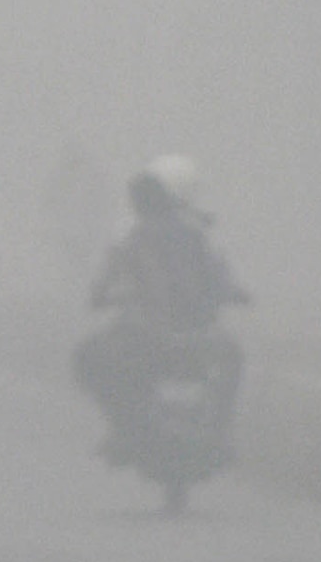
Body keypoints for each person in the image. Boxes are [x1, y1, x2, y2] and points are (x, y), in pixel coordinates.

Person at [76, 157, 246, 433]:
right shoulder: (192, 235)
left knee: (91, 357)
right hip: (189, 330)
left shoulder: (135, 240)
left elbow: (104, 286)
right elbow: (220, 276)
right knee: (232, 359)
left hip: (160, 329)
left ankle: (123, 426)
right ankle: (219, 427)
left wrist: (106, 298)